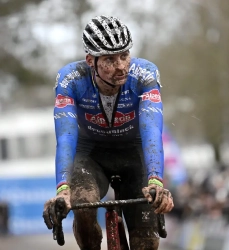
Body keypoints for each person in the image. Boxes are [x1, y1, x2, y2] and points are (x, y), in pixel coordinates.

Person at [42, 15, 174, 250]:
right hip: (91, 156)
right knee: (83, 205)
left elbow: (152, 129)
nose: (121, 66)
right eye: (110, 60)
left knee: (146, 242)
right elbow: (65, 137)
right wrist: (63, 190)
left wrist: (156, 180)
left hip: (134, 155)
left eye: (124, 55)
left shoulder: (144, 74)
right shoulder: (70, 80)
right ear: (90, 60)